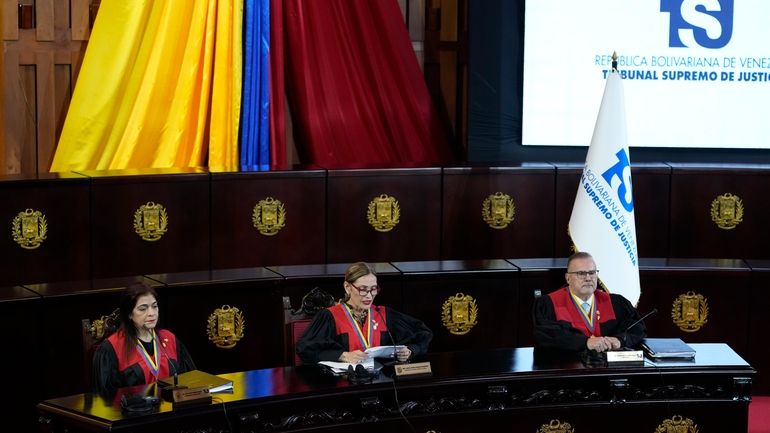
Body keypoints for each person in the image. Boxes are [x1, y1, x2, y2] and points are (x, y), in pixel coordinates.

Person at [297, 262, 433, 365]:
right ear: (347, 287)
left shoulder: (383, 314)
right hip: (342, 384)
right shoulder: (330, 316)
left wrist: (410, 350)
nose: (369, 296)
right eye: (363, 289)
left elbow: (423, 333)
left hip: (380, 382)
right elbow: (305, 349)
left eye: (373, 289)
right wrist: (342, 355)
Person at [92, 283, 195, 394]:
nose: (152, 313)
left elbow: (191, 381)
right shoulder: (111, 348)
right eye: (143, 309)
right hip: (134, 410)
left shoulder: (169, 339)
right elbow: (105, 398)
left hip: (170, 408)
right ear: (129, 314)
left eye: (155, 306)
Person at [533, 252, 645, 353]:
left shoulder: (616, 302)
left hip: (608, 369)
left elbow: (637, 327)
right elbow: (546, 335)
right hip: (566, 368)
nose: (588, 278)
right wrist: (585, 342)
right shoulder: (549, 304)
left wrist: (620, 340)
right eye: (581, 273)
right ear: (568, 278)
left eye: (592, 272)